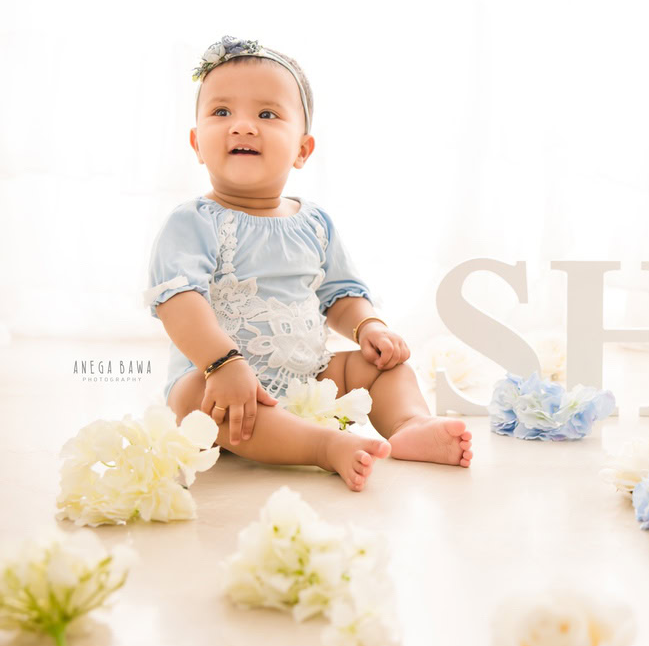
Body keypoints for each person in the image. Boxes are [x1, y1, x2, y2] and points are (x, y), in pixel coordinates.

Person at [145, 36, 473, 491]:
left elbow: (341, 294)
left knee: (379, 368)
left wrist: (368, 329)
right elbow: (178, 301)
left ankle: (410, 425)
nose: (242, 126)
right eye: (222, 113)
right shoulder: (193, 222)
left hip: (308, 375)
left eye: (266, 114)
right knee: (197, 404)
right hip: (218, 382)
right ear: (197, 142)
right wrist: (222, 364)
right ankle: (321, 446)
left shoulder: (314, 222)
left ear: (302, 149)